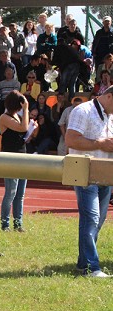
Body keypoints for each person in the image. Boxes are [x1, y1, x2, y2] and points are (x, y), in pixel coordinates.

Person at [65, 86, 113, 277]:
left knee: (97, 220)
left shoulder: (110, 115)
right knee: (91, 218)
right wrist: (99, 144)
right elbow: (71, 139)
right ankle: (92, 267)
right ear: (109, 96)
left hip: (106, 174)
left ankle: (83, 264)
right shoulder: (82, 110)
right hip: (84, 172)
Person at [0, 91, 32, 232]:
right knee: (10, 193)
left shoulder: (17, 117)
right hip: (11, 159)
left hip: (22, 156)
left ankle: (18, 223)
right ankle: (5, 224)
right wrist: (26, 110)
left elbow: (24, 131)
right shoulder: (4, 117)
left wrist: (31, 129)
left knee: (20, 194)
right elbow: (23, 128)